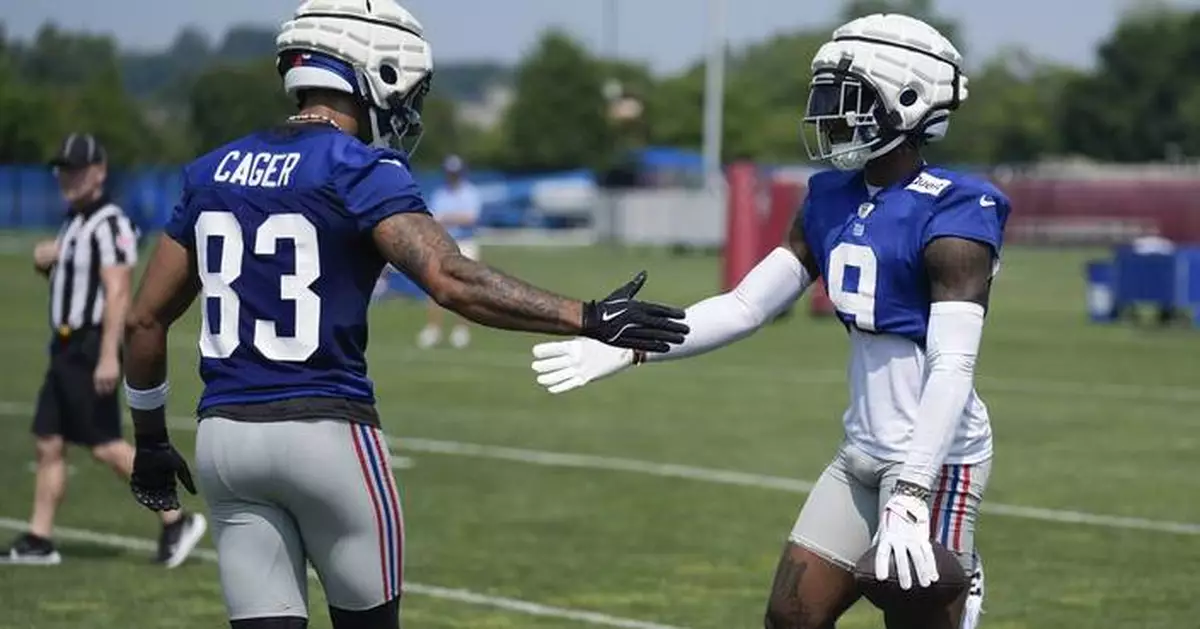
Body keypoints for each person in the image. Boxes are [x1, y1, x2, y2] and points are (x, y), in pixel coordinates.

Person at [119, 2, 687, 628]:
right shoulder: (357, 166)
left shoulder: (211, 171)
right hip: (326, 435)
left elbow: (145, 320)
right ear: (374, 70)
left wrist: (148, 440)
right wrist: (588, 315)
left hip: (225, 438)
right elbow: (450, 278)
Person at [529, 13, 1007, 629]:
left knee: (913, 613)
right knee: (791, 616)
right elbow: (745, 305)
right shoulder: (832, 197)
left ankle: (958, 586)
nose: (829, 116)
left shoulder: (957, 210)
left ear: (908, 102)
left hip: (935, 461)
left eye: (848, 100)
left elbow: (953, 365)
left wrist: (913, 491)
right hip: (862, 449)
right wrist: (634, 347)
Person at [1, 133, 206, 568]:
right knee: (49, 441)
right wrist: (49, 264)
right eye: (63, 169)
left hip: (90, 344)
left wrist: (110, 354)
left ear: (99, 172)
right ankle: (39, 538)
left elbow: (117, 294)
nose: (68, 177)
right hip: (64, 344)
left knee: (105, 445)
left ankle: (175, 519)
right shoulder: (75, 222)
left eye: (77, 169)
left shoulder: (109, 223)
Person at [417, 154, 482, 349]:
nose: (452, 176)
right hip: (444, 242)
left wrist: (448, 218)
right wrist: (452, 218)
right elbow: (434, 219)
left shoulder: (470, 192)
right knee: (434, 285)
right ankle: (433, 329)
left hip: (465, 242)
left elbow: (470, 218)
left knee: (465, 287)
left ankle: (461, 330)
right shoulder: (440, 193)